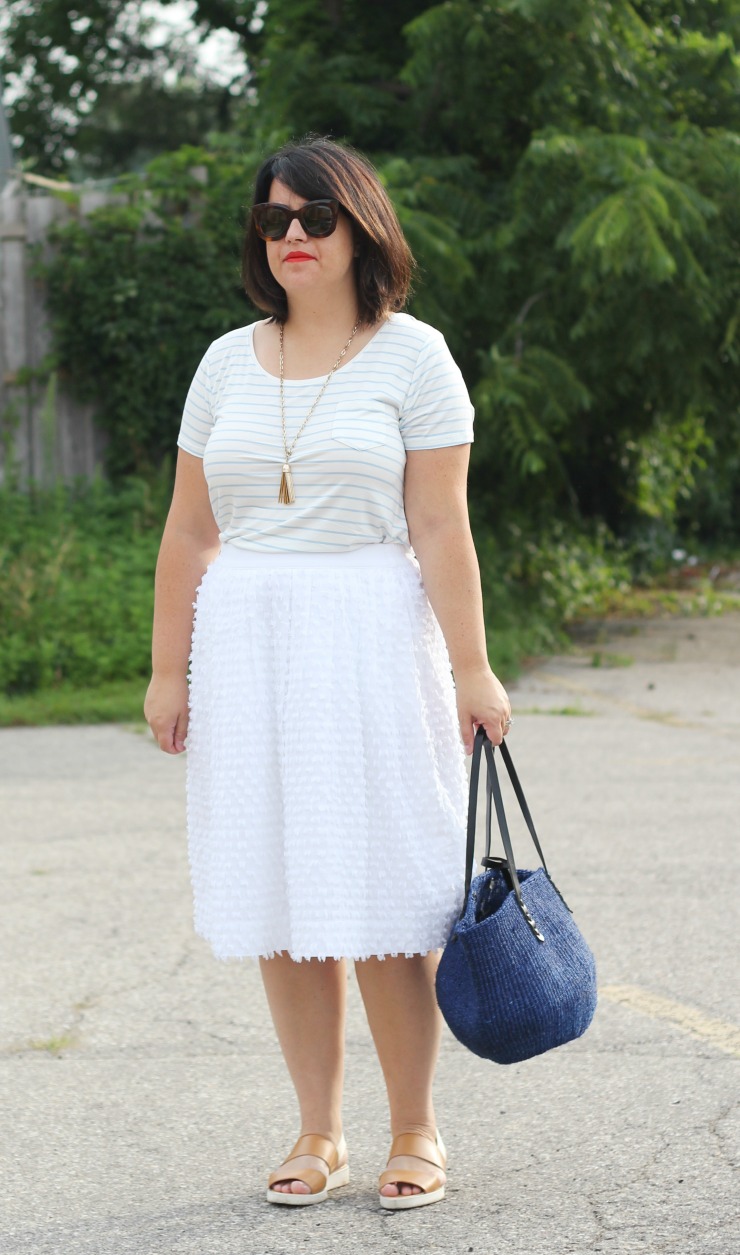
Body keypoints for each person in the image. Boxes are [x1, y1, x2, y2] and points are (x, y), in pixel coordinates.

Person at [144, 136, 511, 1211]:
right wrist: (170, 671)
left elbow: (441, 527)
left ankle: (415, 1129)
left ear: (359, 227)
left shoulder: (413, 356)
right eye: (274, 220)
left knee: (390, 896)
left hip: (371, 630)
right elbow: (187, 529)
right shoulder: (223, 361)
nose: (293, 236)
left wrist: (473, 668)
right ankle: (318, 1130)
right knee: (281, 895)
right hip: (248, 638)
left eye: (314, 217)